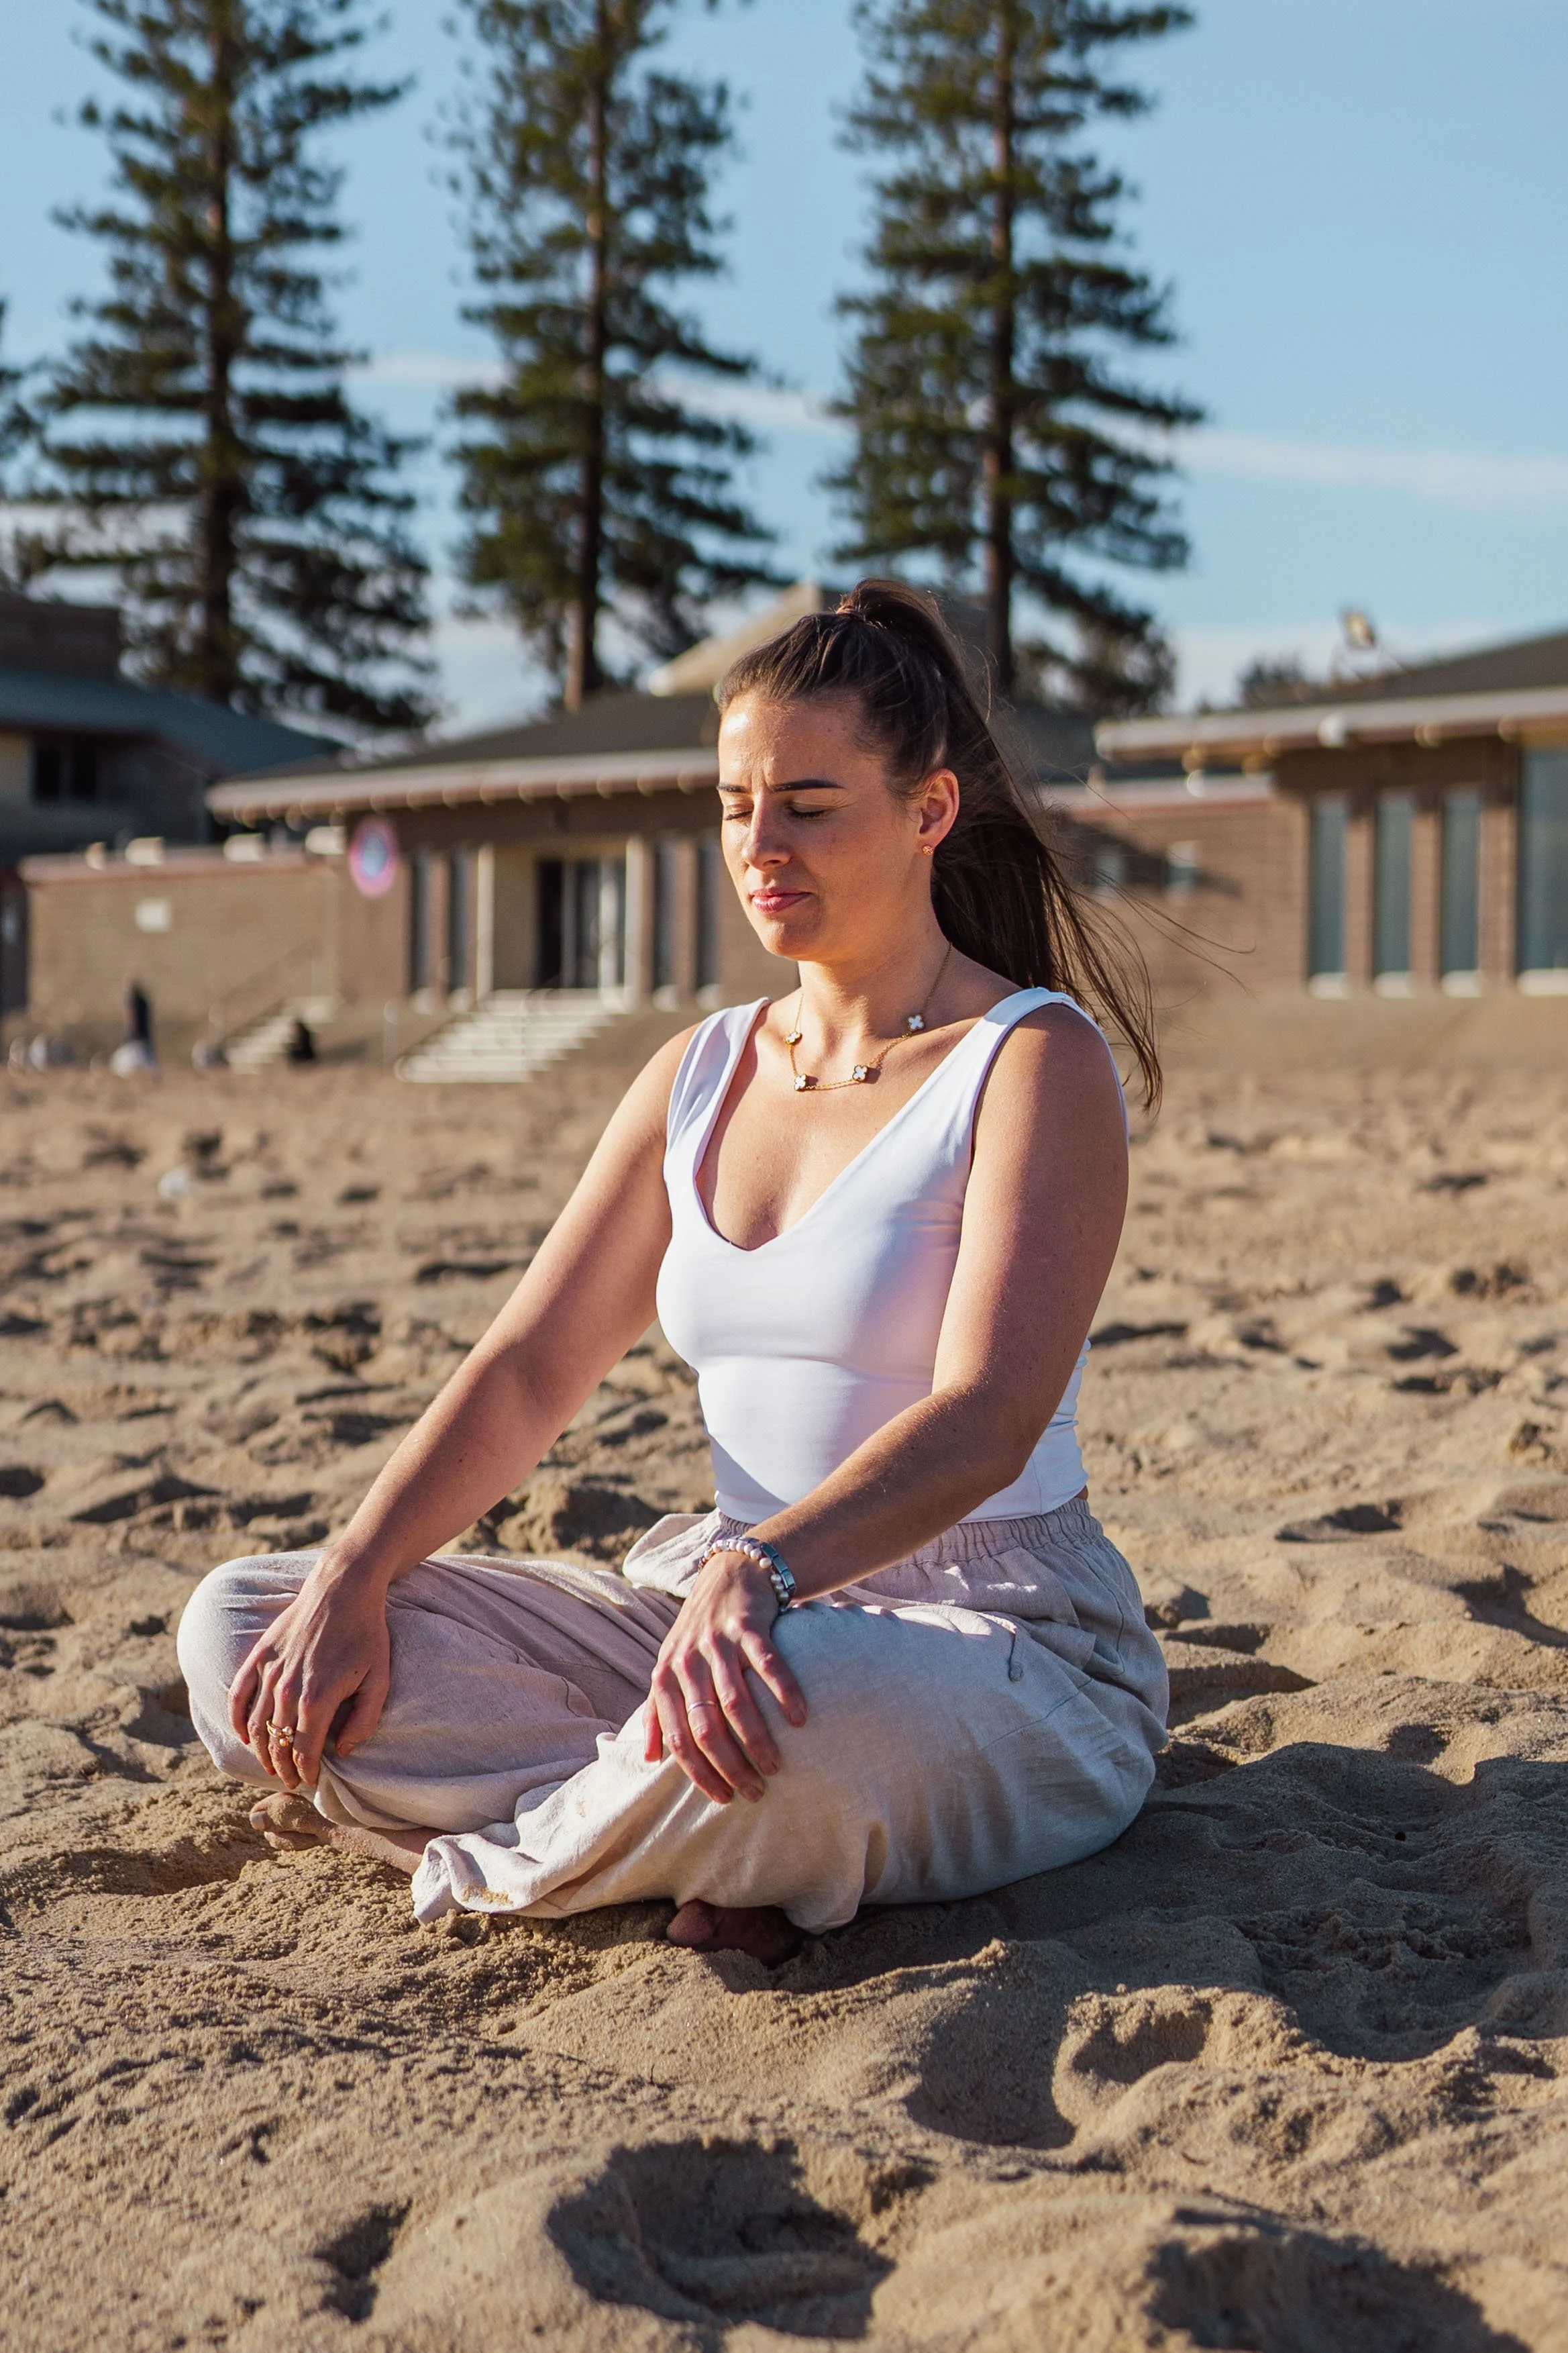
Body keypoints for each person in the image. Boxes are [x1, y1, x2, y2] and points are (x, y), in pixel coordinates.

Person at [177, 581, 1169, 1961]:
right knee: (247, 1631)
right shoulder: (697, 1070)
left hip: (978, 1629)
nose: (760, 845)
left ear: (929, 810)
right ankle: (682, 1836)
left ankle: (541, 1847)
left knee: (809, 1710)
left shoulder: (1029, 1059)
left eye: (810, 805)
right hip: (711, 1608)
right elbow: (528, 1369)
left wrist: (766, 1568)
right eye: (732, 804)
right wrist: (355, 1567)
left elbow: (990, 1415)